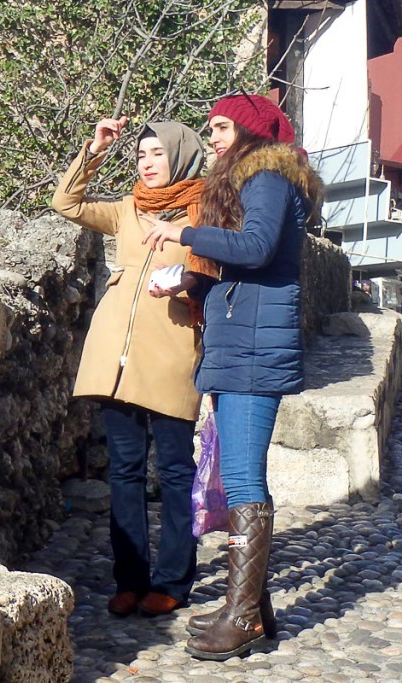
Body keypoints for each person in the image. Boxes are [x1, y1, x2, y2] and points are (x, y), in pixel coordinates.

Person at [141, 94, 323, 660]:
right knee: (241, 475)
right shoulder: (257, 178)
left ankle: (241, 616)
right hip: (241, 343)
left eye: (220, 126)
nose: (212, 136)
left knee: (244, 480)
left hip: (252, 348)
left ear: (247, 129)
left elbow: (257, 247)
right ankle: (253, 607)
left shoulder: (267, 176)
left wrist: (184, 234)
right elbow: (248, 258)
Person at [52, 116, 218, 618]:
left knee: (172, 470)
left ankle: (172, 580)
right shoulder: (127, 209)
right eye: (141, 155)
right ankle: (129, 578)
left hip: (172, 352)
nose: (146, 164)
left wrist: (187, 283)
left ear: (181, 157)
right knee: (123, 472)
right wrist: (95, 149)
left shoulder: (205, 210)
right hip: (113, 357)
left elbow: (218, 271)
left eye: (157, 155)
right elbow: (66, 203)